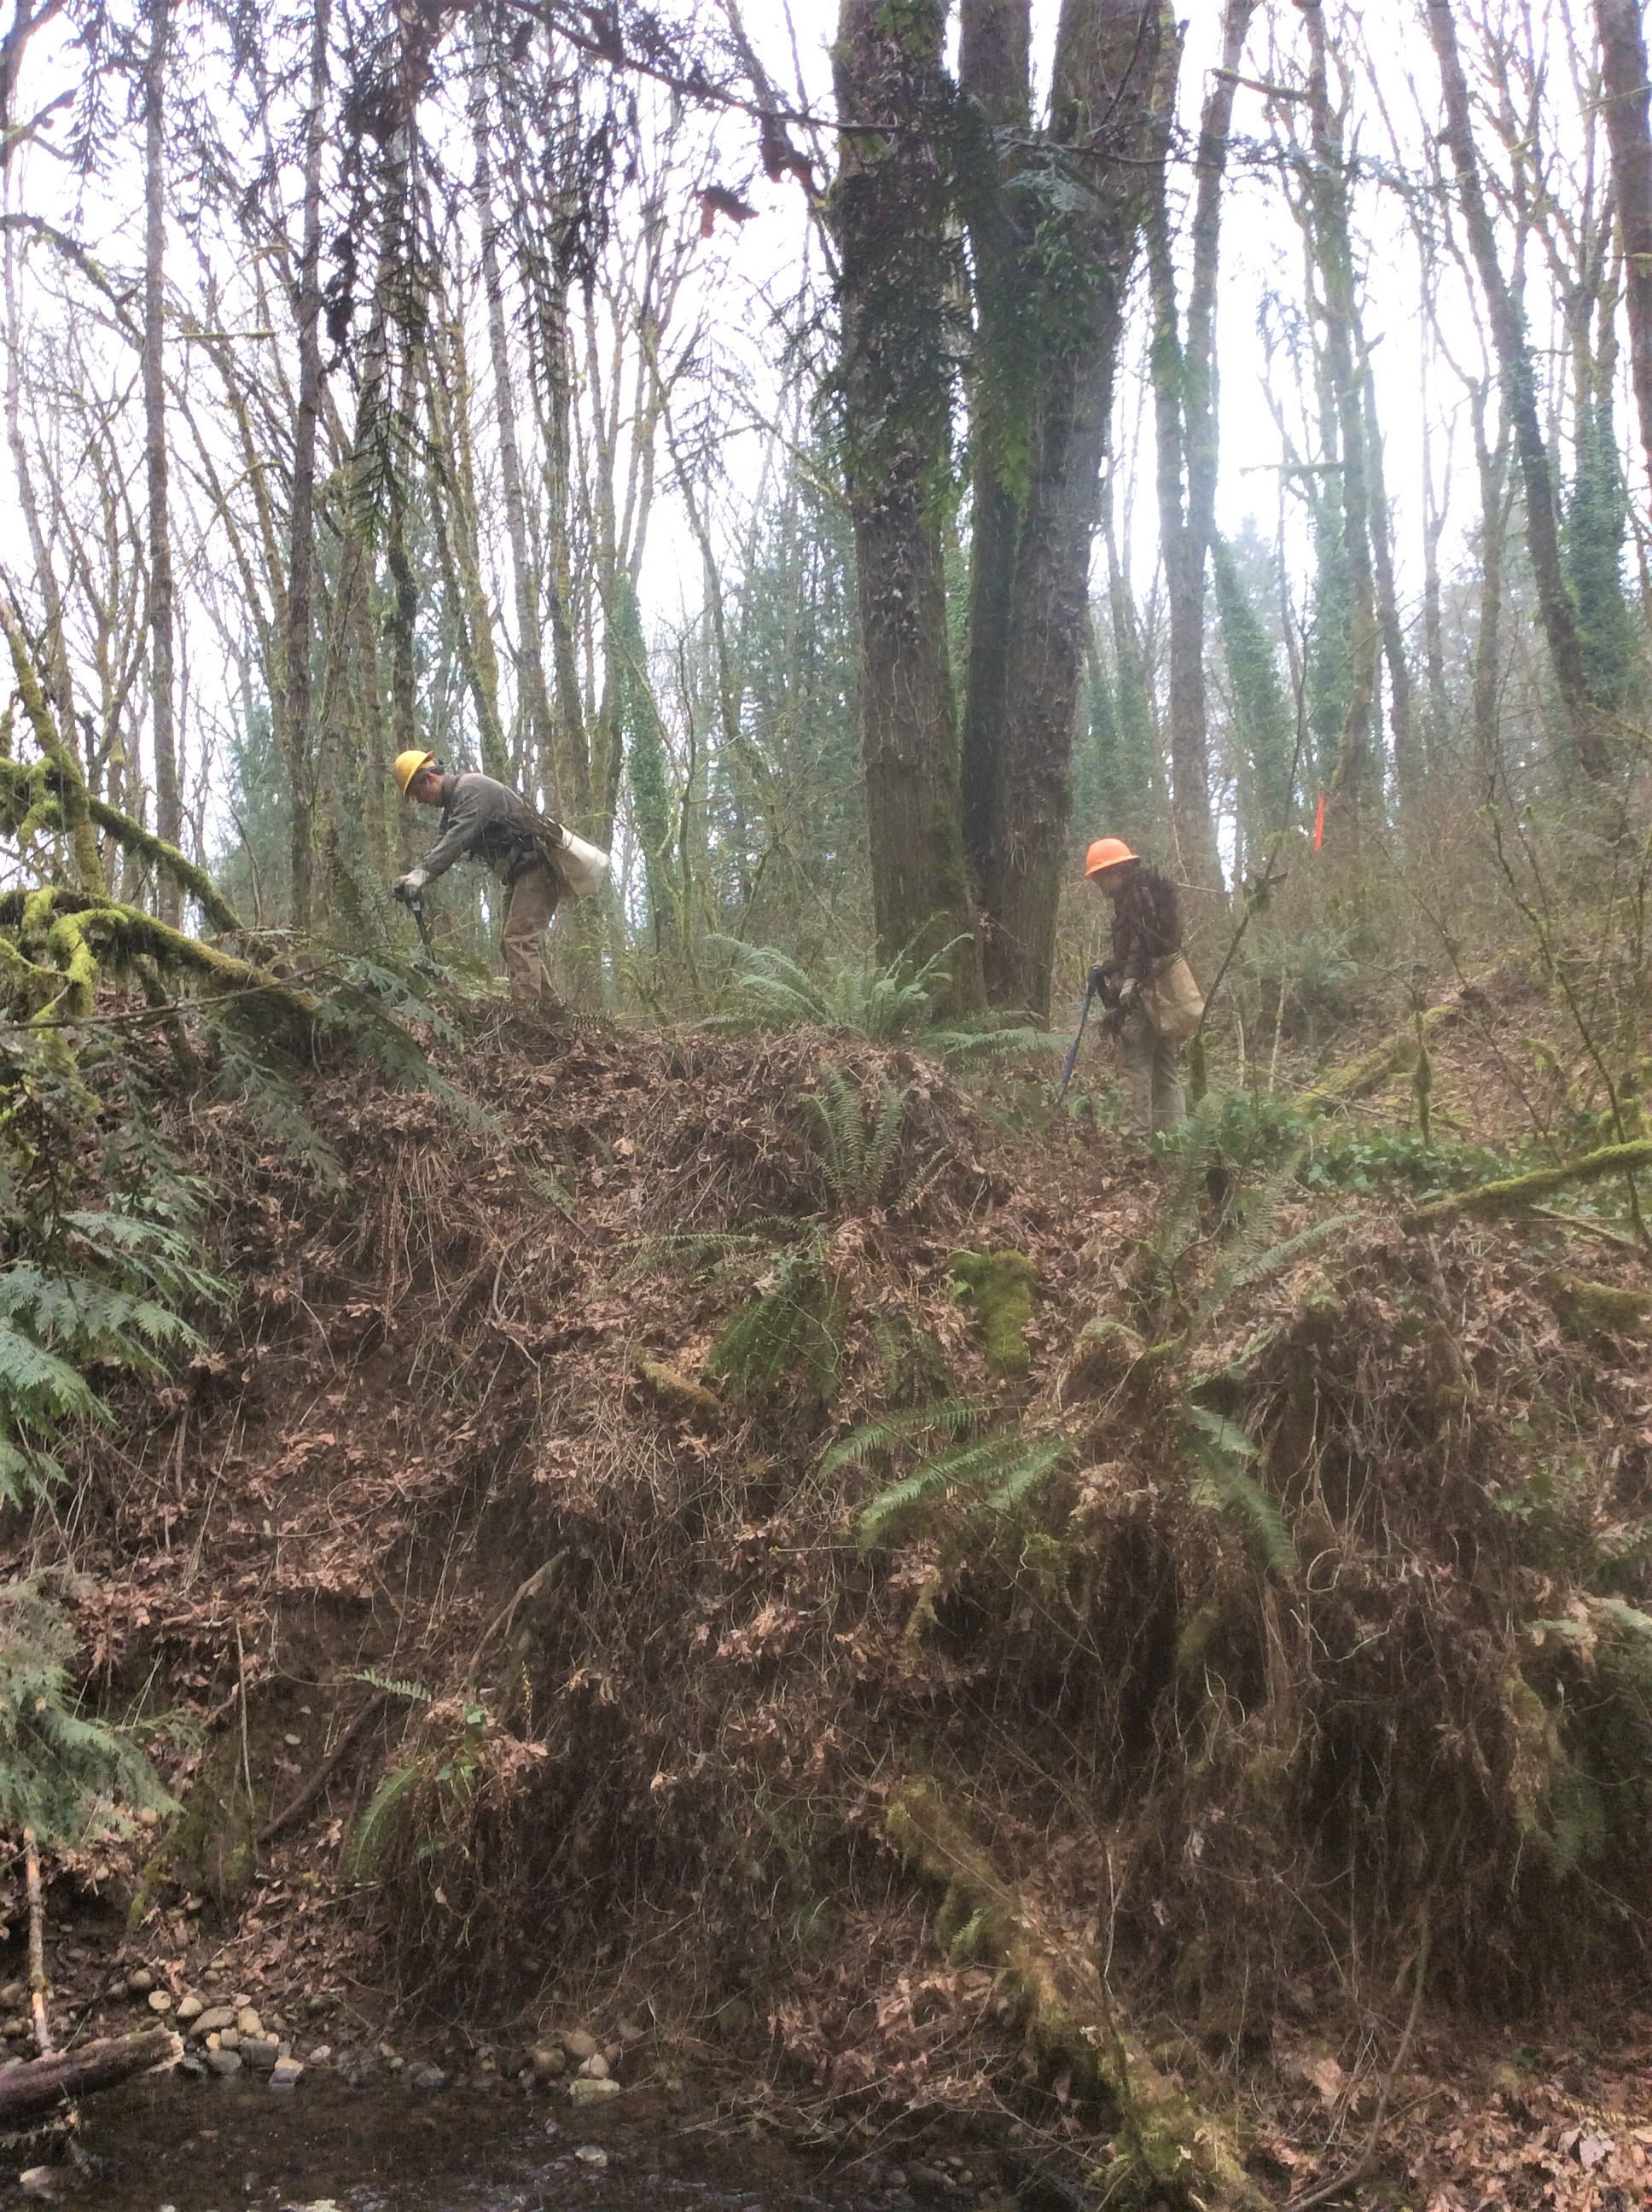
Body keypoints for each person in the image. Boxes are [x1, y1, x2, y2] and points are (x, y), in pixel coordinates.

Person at [393, 750, 565, 1002]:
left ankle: (529, 1017)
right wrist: (415, 874)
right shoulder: (455, 802)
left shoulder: (472, 790)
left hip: (538, 866)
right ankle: (552, 1010)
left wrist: (424, 874)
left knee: (518, 939)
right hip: (522, 872)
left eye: (418, 794)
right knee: (512, 944)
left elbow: (457, 838)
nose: (420, 801)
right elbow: (442, 840)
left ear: (429, 779)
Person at [1083, 837, 1195, 1136]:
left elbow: (1139, 944)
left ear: (1113, 872)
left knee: (1134, 1063)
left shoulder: (1136, 899)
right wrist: (1108, 967)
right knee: (1165, 1065)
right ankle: (1175, 1138)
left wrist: (1129, 980)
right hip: (1162, 994)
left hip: (1145, 994)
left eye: (1099, 879)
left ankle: (1135, 1137)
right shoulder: (1147, 895)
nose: (1099, 887)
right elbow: (1138, 945)